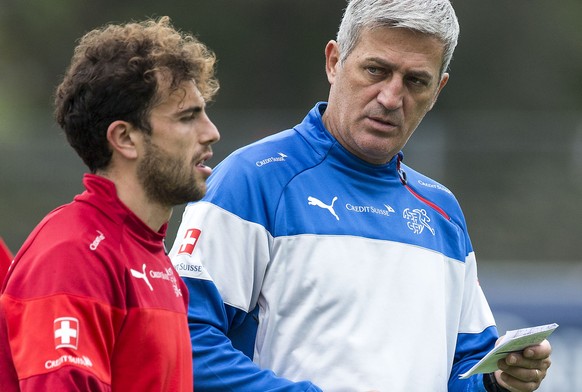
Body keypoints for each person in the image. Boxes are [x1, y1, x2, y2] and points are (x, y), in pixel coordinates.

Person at [169, 1, 552, 391]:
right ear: (334, 62)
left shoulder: (442, 213)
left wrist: (498, 381)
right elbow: (182, 339)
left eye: (415, 81)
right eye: (376, 70)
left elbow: (465, 369)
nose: (390, 96)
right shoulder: (253, 180)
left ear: (437, 90)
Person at [0, 17, 220, 391]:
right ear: (125, 138)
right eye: (187, 118)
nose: (210, 132)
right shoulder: (72, 257)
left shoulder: (156, 261)